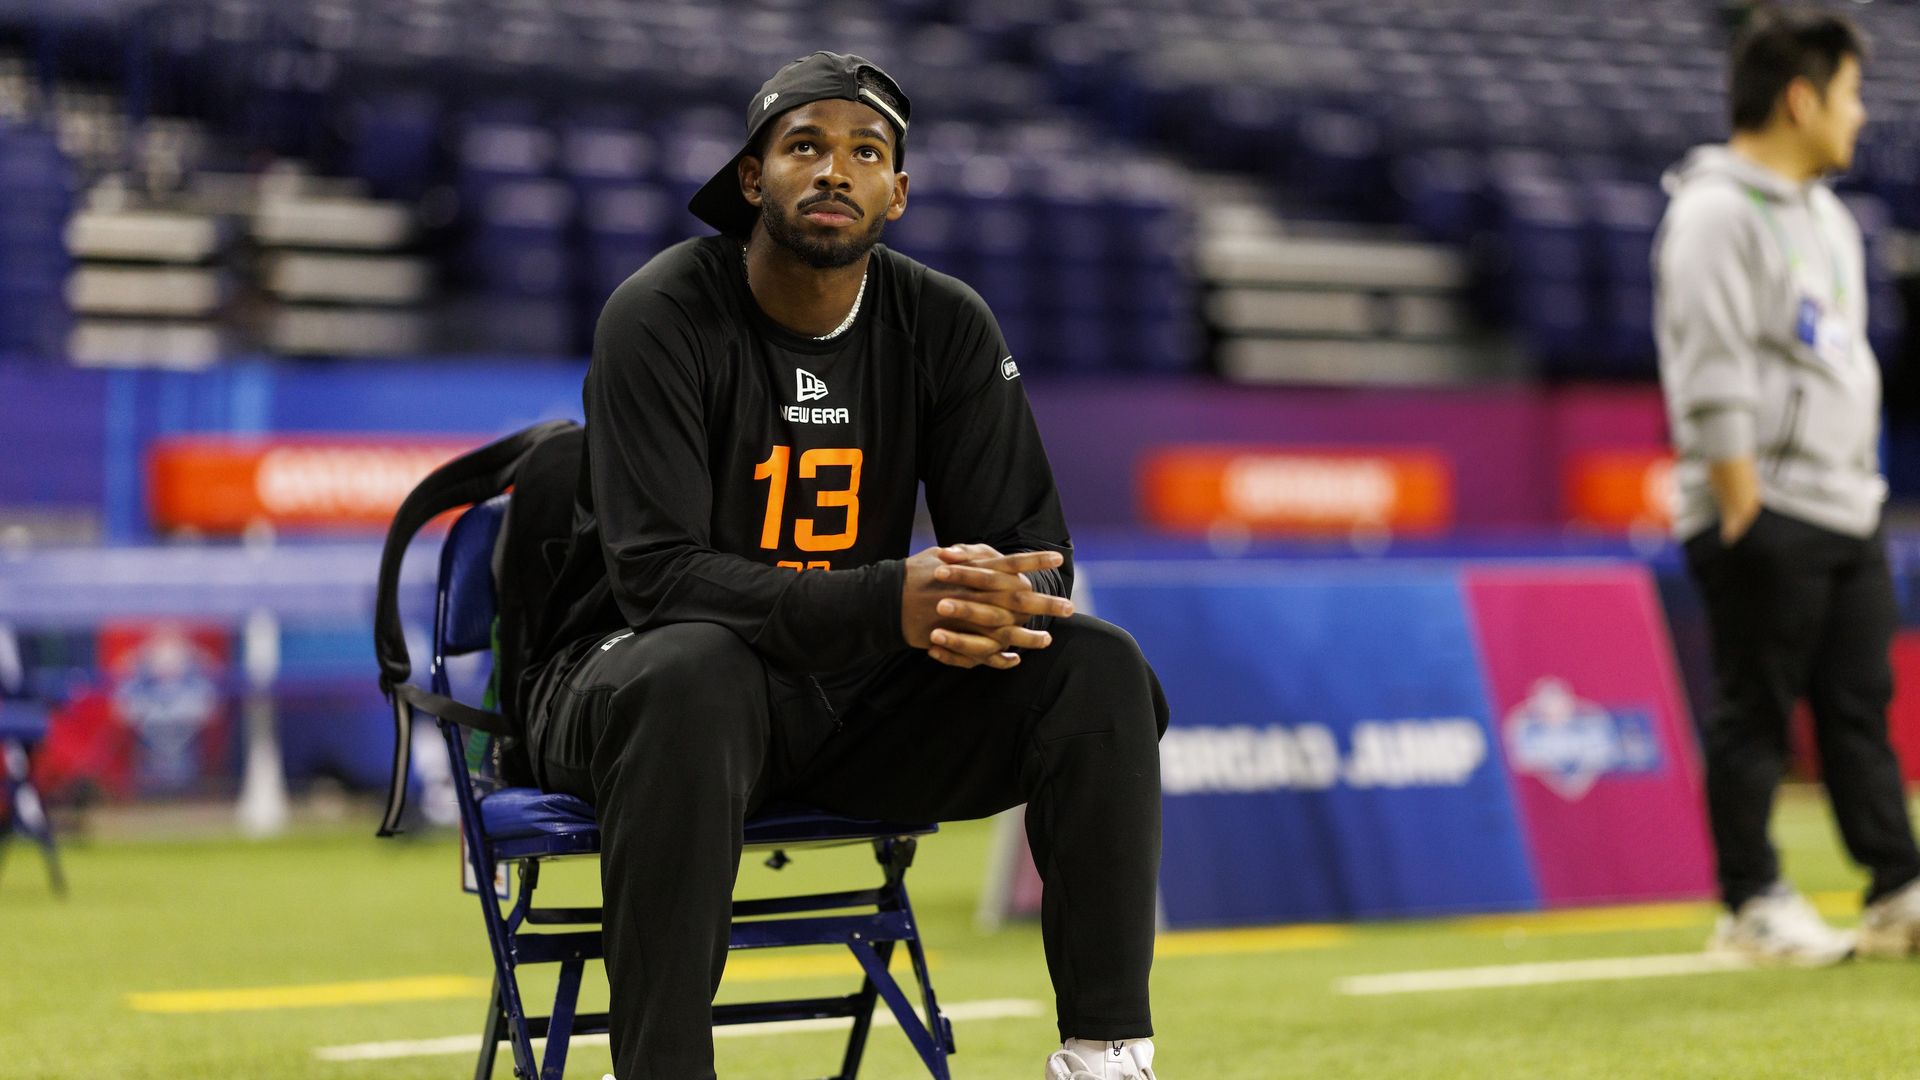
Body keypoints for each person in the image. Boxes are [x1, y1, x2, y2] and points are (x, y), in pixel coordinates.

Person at [520, 52, 1170, 1080]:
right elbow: (658, 581)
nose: (835, 171)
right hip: (632, 685)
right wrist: (892, 599)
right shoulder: (658, 313)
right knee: (697, 670)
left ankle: (1107, 1054)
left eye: (865, 153)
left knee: (1096, 669)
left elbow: (1036, 558)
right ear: (752, 178)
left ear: (897, 194)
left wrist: (990, 603)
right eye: (805, 146)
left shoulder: (945, 323)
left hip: (842, 697)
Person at [1655, 6, 1920, 965]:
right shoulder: (1714, 212)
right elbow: (1709, 369)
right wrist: (1740, 509)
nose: (1859, 116)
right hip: (1763, 506)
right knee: (1755, 710)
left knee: (1859, 706)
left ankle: (1897, 890)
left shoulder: (1832, 218)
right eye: (1849, 94)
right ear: (1801, 98)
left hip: (1845, 504)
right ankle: (1751, 903)